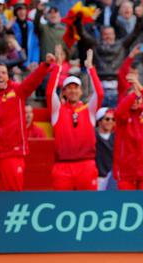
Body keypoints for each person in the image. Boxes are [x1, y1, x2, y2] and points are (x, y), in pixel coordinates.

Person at [48, 47, 103, 190]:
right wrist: (58, 67)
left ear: (81, 91)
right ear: (64, 91)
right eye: (69, 88)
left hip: (86, 165)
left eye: (76, 87)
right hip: (62, 167)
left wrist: (90, 69)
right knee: (62, 208)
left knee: (88, 207)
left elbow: (100, 93)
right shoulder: (57, 110)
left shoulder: (89, 110)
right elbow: (49, 93)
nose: (72, 90)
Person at [0, 55, 54, 191]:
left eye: (3, 73)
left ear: (8, 76)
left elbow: (32, 81)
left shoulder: (17, 91)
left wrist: (45, 65)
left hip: (11, 154)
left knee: (12, 198)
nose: (0, 76)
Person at [95, 107, 116, 191]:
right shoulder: (93, 136)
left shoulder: (116, 137)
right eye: (107, 119)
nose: (110, 122)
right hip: (97, 177)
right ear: (99, 121)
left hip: (112, 178)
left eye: (113, 119)